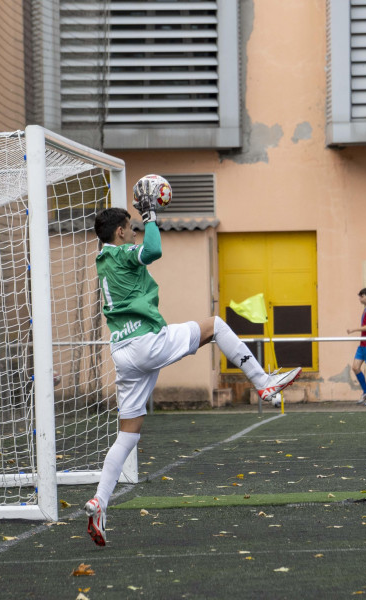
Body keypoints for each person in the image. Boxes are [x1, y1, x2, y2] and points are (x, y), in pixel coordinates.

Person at [84, 183, 301, 547]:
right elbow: (152, 250)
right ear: (119, 232)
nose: (135, 231)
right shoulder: (121, 255)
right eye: (131, 227)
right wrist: (152, 215)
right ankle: (263, 381)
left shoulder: (102, 261)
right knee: (215, 325)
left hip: (122, 352)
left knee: (129, 433)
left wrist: (147, 218)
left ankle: (98, 502)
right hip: (146, 343)